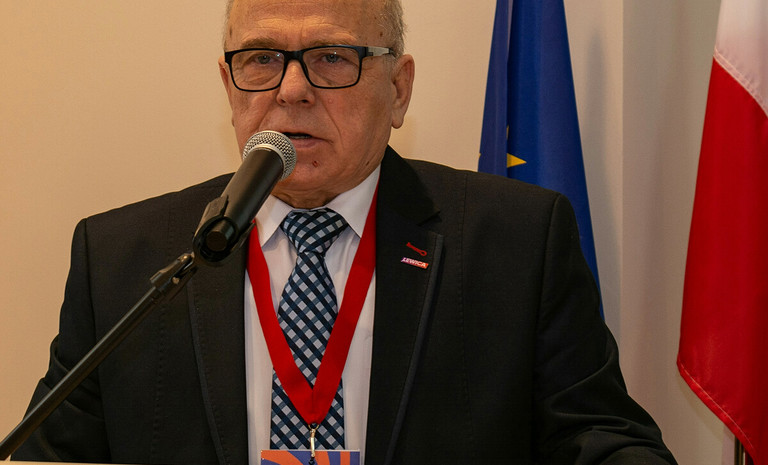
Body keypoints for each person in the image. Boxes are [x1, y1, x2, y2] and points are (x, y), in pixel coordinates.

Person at [13, 0, 676, 463]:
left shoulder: (517, 241)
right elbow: (51, 456)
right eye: (261, 58)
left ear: (400, 88)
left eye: (331, 57)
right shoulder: (123, 259)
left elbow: (601, 441)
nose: (291, 90)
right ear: (228, 84)